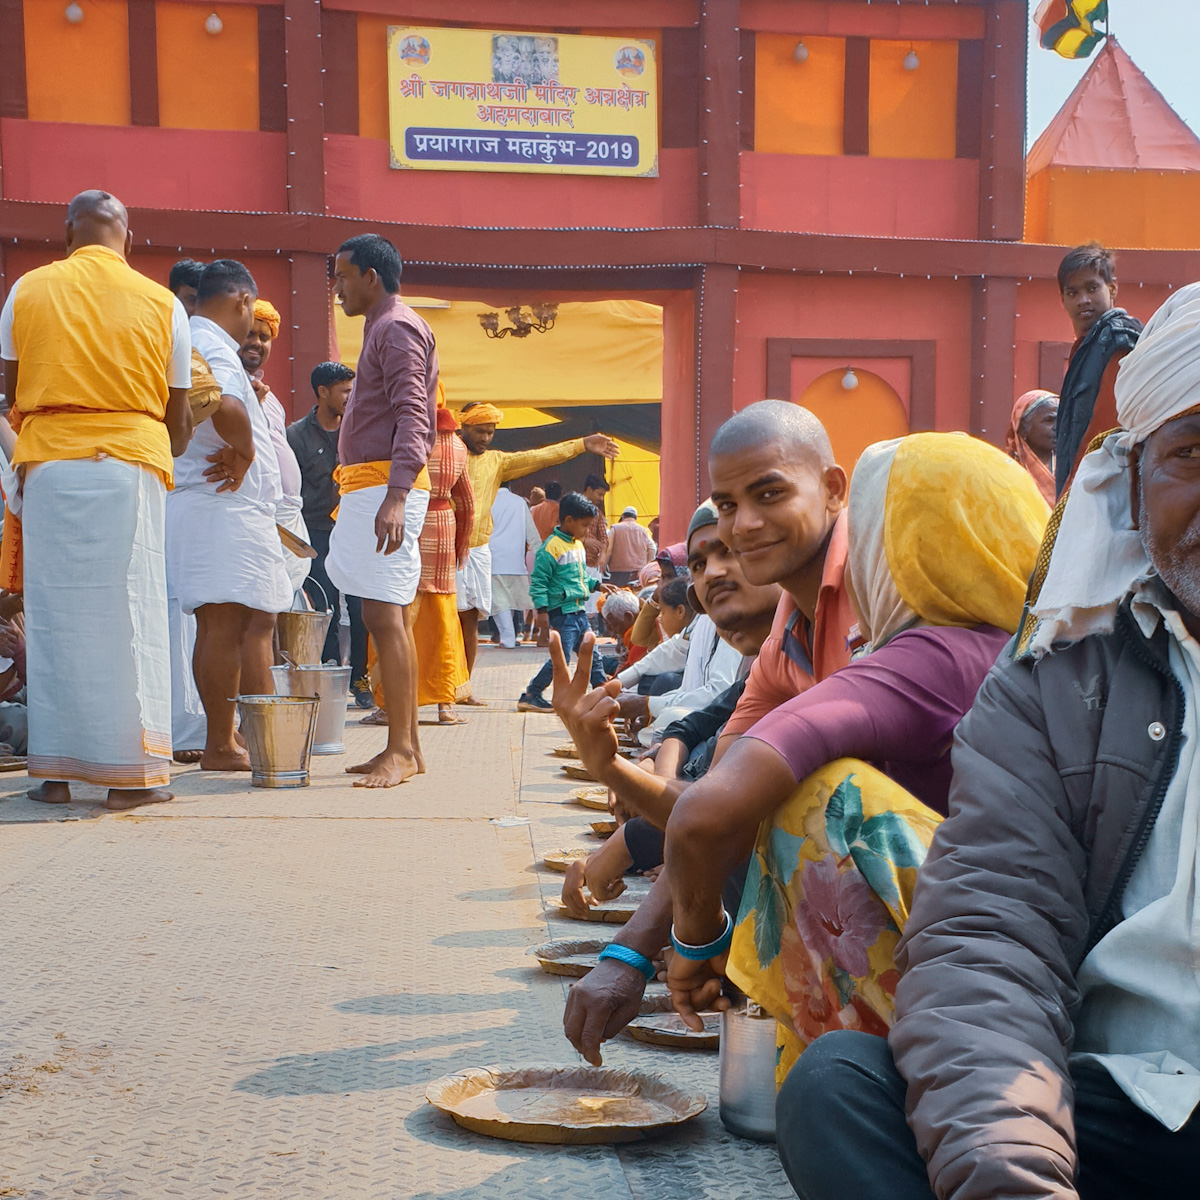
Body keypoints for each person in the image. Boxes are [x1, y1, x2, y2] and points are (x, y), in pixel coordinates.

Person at [778, 290, 1200, 1200]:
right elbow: (988, 939)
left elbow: (735, 780)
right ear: (1132, 483)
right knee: (839, 1090)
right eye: (1195, 453)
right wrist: (1011, 1174)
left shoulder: (917, 658)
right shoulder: (1054, 686)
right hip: (1119, 1103)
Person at [665, 434, 1047, 1066]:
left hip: (996, 980)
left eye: (872, 532)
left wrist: (696, 940)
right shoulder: (1028, 652)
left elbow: (705, 814)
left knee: (820, 801)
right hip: (1034, 947)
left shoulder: (933, 656)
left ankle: (879, 1062)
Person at [0, 189, 191, 809]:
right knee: (130, 619)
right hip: (129, 465)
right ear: (128, 238)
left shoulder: (27, 289)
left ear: (67, 234)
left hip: (50, 465)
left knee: (54, 623)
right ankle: (128, 780)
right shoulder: (163, 302)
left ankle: (54, 776)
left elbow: (12, 390)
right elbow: (178, 416)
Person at [168, 259, 291, 772]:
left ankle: (242, 738)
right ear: (242, 301)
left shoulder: (200, 337)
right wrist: (242, 450)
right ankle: (222, 744)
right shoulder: (208, 340)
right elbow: (225, 406)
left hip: (227, 506)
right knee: (222, 622)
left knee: (246, 622)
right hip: (218, 503)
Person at [326, 233, 435, 787]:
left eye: (342, 276)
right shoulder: (383, 326)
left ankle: (400, 750)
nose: (336, 287)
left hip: (384, 490)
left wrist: (394, 496)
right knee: (380, 616)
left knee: (386, 618)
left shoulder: (394, 327)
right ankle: (407, 746)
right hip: (371, 487)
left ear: (371, 276)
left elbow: (416, 416)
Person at [454, 402, 618, 702]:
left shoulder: (497, 461)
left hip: (478, 553)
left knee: (470, 621)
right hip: (445, 550)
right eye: (480, 431)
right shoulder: (445, 454)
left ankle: (462, 688)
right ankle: (439, 688)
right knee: (441, 621)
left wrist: (581, 445)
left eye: (491, 432)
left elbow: (540, 457)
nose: (486, 438)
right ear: (462, 426)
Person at [288, 361, 370, 694]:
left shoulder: (362, 428)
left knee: (363, 607)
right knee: (325, 608)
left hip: (354, 531)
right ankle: (330, 674)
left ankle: (360, 678)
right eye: (345, 391)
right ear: (323, 392)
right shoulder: (295, 435)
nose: (351, 397)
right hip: (316, 532)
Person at [1055, 242, 1142, 496]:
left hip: (1105, 491)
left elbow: (1104, 433)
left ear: (1112, 288)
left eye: (1092, 288)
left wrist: (1068, 499)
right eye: (1073, 293)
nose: (1083, 300)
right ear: (1062, 300)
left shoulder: (1118, 340)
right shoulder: (1088, 345)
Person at [408, 396, 474, 726]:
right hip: (444, 526)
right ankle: (445, 704)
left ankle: (390, 703)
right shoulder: (458, 445)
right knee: (444, 615)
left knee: (399, 615)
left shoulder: (408, 432)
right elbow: (467, 503)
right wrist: (462, 544)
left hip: (408, 522)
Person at [239, 298, 310, 593]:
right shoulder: (230, 386)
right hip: (259, 510)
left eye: (264, 337)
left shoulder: (272, 397)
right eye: (249, 334)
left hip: (288, 511)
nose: (256, 343)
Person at [517, 491, 609, 713]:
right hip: (562, 614)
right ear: (569, 521)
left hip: (578, 613)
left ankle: (602, 690)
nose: (587, 531)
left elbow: (578, 577)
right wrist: (542, 611)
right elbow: (539, 582)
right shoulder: (551, 547)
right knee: (561, 659)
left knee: (593, 655)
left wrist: (596, 585)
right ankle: (531, 694)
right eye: (585, 525)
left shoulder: (577, 545)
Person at [488, 482, 539, 648]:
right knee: (508, 601)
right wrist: (540, 554)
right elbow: (531, 533)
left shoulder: (488, 500)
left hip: (493, 557)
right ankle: (508, 638)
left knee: (499, 601)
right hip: (516, 559)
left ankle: (508, 639)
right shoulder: (519, 502)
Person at [1007, 388, 1058, 505]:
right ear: (1023, 428)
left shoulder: (1071, 469)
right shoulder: (1009, 470)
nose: (1057, 427)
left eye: (1061, 420)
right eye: (1049, 420)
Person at [602, 506, 655, 586]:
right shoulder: (643, 530)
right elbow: (652, 548)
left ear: (623, 516)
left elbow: (608, 550)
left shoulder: (615, 528)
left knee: (618, 594)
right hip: (638, 572)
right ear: (635, 518)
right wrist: (646, 566)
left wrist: (603, 566)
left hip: (618, 572)